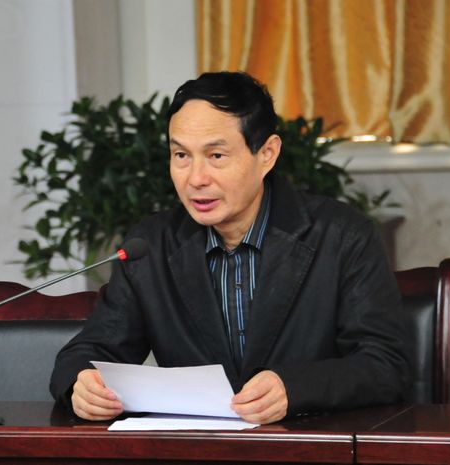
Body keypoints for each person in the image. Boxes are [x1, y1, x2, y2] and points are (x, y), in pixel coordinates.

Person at [50, 71, 411, 424]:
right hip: (199, 449)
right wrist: (82, 384)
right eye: (181, 155)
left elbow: (386, 364)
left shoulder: (342, 236)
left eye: (216, 156)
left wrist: (295, 388)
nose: (196, 178)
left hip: (306, 443)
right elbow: (89, 351)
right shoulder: (152, 245)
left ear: (267, 153)